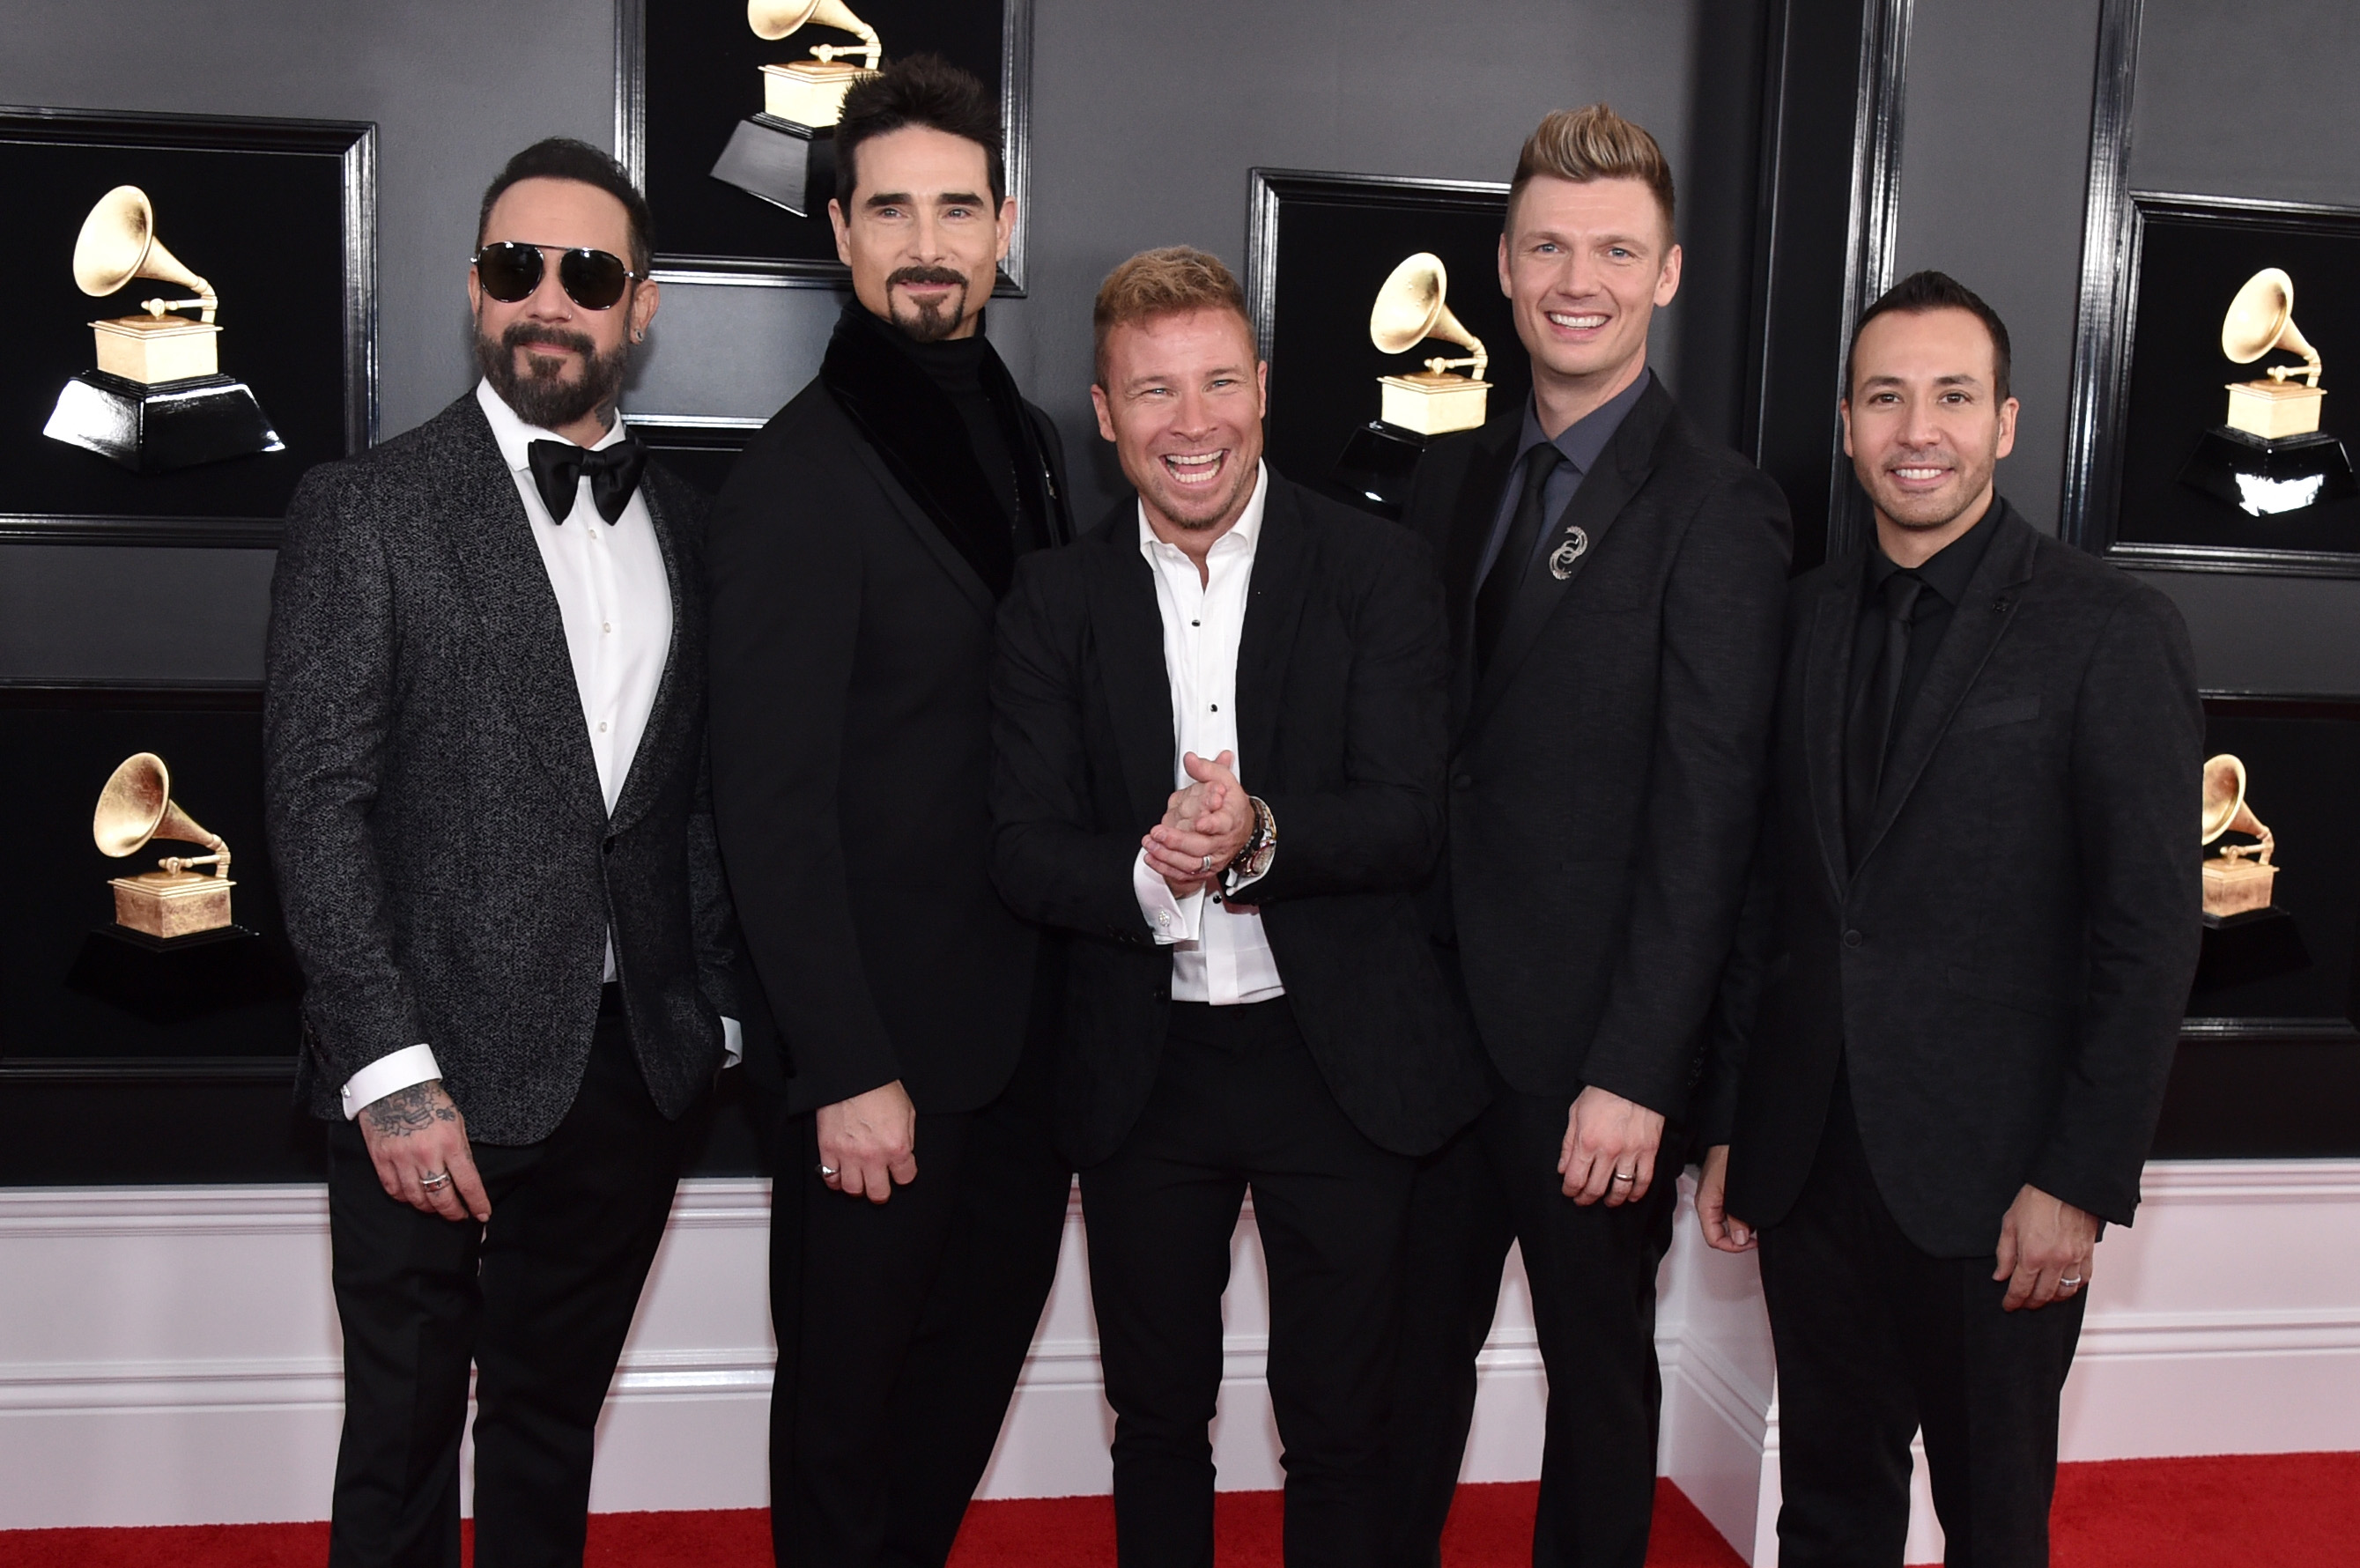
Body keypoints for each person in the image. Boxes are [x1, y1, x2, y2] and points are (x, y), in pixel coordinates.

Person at [265, 138, 742, 1567]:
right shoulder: (370, 507)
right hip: (427, 1066)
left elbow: (697, 793)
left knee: (550, 1424)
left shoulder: (690, 524)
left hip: (629, 1066)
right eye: (514, 266)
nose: (549, 297)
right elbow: (313, 801)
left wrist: (708, 1005)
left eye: (586, 272)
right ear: (477, 293)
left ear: (639, 307)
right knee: (401, 1442)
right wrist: (390, 1073)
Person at [988, 245, 1487, 1568]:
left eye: (1218, 382)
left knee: (1342, 1423)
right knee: (1155, 1418)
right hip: (1143, 1068)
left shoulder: (1379, 571)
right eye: (1153, 392)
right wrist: (1158, 865)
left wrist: (1259, 832)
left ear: (1264, 389)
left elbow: (1408, 816)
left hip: (1342, 1061)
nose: (1191, 423)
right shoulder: (1050, 602)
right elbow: (1023, 848)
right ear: (1104, 413)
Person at [1694, 270, 2201, 1566]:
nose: (1919, 428)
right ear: (1852, 427)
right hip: (1810, 1167)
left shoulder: (2109, 631)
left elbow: (2147, 935)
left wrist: (2078, 1181)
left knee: (1992, 1523)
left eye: (1954, 397)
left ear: (2009, 423)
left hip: (2002, 1186)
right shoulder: (1799, 620)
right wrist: (1737, 1127)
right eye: (1888, 397)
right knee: (1826, 1511)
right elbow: (1770, 902)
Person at [1384, 104, 1794, 1568]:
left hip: (1591, 1068)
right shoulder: (1455, 476)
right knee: (1397, 1379)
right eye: (1550, 243)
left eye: (1615, 249)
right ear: (1502, 261)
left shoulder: (1724, 512)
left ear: (1667, 273)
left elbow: (1711, 820)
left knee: (1597, 1394)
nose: (1580, 277)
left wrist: (1636, 1075)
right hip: (1432, 1036)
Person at [703, 55, 1077, 1568]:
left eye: (959, 207)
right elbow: (766, 804)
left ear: (1001, 228)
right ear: (841, 234)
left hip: (1032, 1040)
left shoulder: (1039, 442)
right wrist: (845, 1068)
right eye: (892, 210)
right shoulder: (799, 474)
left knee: (961, 1396)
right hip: (883, 1070)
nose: (929, 241)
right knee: (848, 1422)